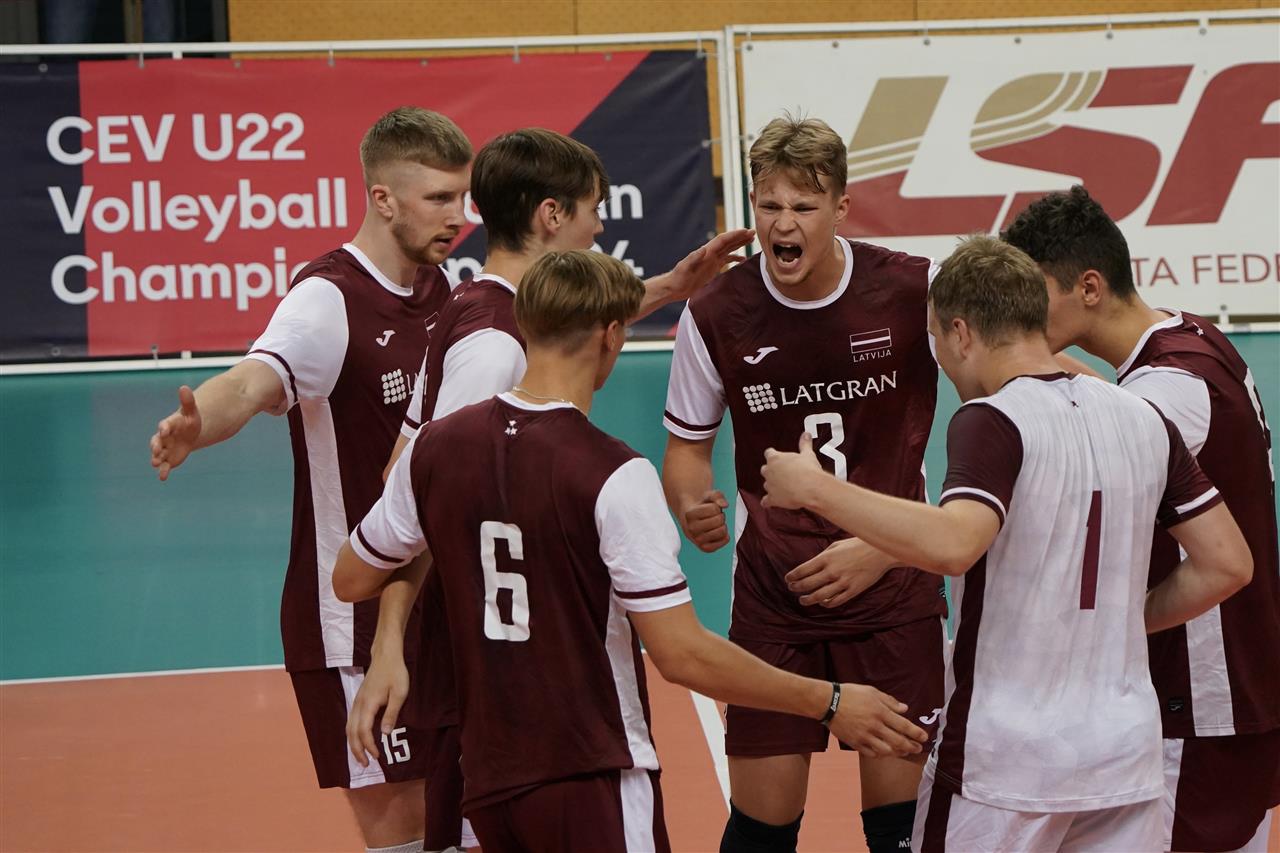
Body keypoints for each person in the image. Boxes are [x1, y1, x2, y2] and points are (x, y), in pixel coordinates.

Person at [331, 250, 929, 852]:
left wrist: (392, 637)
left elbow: (351, 578)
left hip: (487, 774)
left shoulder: (434, 448)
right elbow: (681, 655)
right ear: (612, 337)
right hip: (591, 768)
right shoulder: (610, 473)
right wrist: (828, 702)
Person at [759, 233, 1253, 852]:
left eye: (937, 340)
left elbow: (955, 544)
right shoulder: (1142, 416)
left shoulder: (993, 419)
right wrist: (1122, 621)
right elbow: (1227, 564)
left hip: (1006, 763)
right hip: (1124, 756)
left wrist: (817, 489)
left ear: (960, 332)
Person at [354, 127, 753, 851]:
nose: (599, 227)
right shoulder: (493, 351)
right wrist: (390, 644)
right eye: (592, 210)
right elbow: (417, 495)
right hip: (507, 681)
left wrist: (670, 285)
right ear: (550, 216)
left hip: (502, 678)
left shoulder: (483, 306)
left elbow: (562, 326)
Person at [148, 106, 471, 853]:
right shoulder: (327, 299)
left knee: (466, 822)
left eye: (462, 196)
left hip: (436, 604)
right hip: (352, 623)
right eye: (439, 198)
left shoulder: (441, 287)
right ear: (382, 198)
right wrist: (200, 425)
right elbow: (252, 381)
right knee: (407, 835)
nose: (459, 215)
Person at [661, 114, 946, 853]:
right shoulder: (716, 313)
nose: (782, 224)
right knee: (761, 830)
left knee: (903, 834)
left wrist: (890, 545)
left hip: (893, 592)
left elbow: (1007, 402)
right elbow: (686, 449)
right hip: (774, 597)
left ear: (841, 208)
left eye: (803, 206)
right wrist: (691, 502)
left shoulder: (912, 288)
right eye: (768, 205)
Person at [1003, 185, 1280, 853]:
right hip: (1231, 688)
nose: (1024, 315)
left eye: (1036, 294)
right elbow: (1120, 404)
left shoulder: (1168, 392)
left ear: (1089, 287)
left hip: (1202, 698)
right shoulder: (1192, 338)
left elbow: (1081, 473)